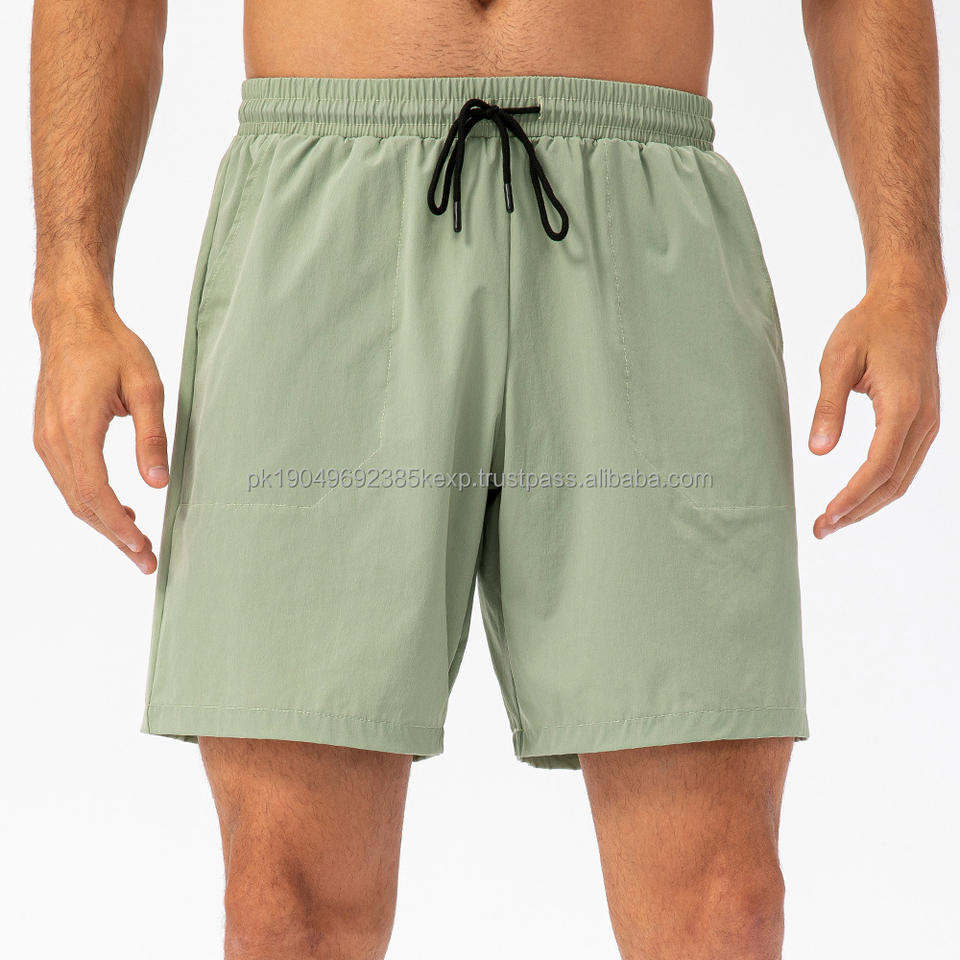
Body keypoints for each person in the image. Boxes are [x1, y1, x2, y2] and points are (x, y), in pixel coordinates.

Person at [30, 1, 945, 958]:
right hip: (327, 201)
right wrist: (70, 293)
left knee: (722, 915)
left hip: (643, 207)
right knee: (284, 913)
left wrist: (908, 277)